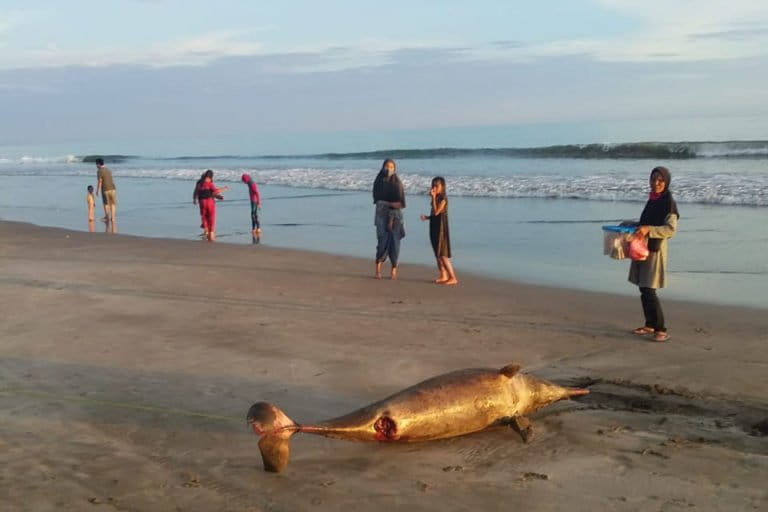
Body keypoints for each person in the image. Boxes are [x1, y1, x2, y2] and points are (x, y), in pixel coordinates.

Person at [629, 166, 679, 342]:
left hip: (655, 250)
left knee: (649, 288)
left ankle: (661, 328)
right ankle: (650, 324)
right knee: (643, 287)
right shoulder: (652, 200)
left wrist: (648, 230)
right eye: (653, 179)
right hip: (642, 247)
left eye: (660, 180)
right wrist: (632, 225)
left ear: (666, 182)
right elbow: (645, 222)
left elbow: (670, 229)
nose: (656, 183)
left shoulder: (668, 203)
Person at [372, 159, 406, 280]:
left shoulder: (397, 183)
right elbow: (376, 198)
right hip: (381, 215)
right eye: (387, 166)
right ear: (382, 167)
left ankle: (394, 269)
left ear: (394, 169)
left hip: (395, 216)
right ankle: (378, 270)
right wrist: (383, 204)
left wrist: (389, 205)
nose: (389, 169)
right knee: (382, 241)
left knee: (394, 243)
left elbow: (401, 203)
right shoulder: (378, 181)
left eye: (391, 167)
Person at [420, 177, 458, 285]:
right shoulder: (436, 198)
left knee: (442, 254)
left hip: (441, 228)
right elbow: (434, 214)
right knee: (437, 253)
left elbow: (437, 212)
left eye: (437, 186)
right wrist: (427, 217)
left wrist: (433, 198)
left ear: (442, 187)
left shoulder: (443, 199)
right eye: (433, 186)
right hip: (434, 226)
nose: (434, 188)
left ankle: (453, 277)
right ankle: (443, 274)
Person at [197, 170, 228, 241]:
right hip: (210, 202)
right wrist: (224, 189)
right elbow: (215, 191)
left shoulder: (200, 184)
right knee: (211, 217)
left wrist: (218, 197)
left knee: (204, 217)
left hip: (202, 202)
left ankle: (206, 231)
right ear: (211, 177)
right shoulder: (209, 184)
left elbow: (204, 193)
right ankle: (211, 234)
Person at [95, 158, 117, 223]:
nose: (96, 165)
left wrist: (97, 190)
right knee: (113, 204)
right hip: (113, 188)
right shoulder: (108, 169)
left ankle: (107, 217)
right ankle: (113, 218)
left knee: (106, 204)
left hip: (105, 189)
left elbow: (100, 181)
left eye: (96, 164)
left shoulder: (99, 171)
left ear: (99, 164)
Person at [192, 171, 207, 237]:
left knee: (204, 215)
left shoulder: (200, 182)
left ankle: (206, 230)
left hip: (203, 200)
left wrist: (194, 199)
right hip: (204, 200)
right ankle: (206, 230)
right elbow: (196, 190)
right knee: (205, 215)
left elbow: (196, 191)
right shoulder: (201, 182)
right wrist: (194, 198)